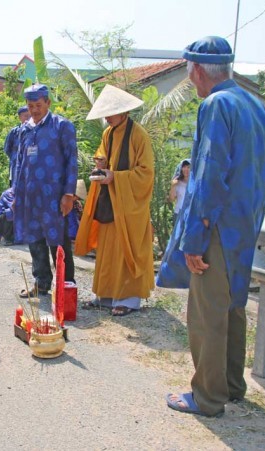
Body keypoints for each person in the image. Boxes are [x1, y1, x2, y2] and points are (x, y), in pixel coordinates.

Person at [156, 36, 265, 418]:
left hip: (218, 223)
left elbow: (208, 173)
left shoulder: (216, 104)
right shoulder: (254, 104)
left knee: (207, 310)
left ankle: (207, 397)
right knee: (233, 305)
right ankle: (232, 385)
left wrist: (194, 237)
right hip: (246, 221)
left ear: (197, 71)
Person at [75, 85, 155, 317]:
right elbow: (104, 155)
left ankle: (128, 300)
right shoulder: (108, 133)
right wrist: (101, 165)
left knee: (126, 250)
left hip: (130, 205)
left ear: (123, 112)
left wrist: (115, 177)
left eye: (110, 113)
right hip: (111, 201)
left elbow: (146, 173)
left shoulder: (139, 135)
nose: (107, 118)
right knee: (108, 249)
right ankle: (106, 296)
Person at [13, 84, 78, 297]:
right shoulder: (25, 129)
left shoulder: (62, 126)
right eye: (30, 106)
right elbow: (20, 163)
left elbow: (72, 161)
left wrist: (68, 194)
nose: (34, 110)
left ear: (48, 103)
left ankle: (66, 286)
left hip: (55, 197)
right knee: (35, 241)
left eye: (38, 105)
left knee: (58, 242)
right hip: (30, 196)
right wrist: (16, 194)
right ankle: (41, 283)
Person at [4, 106, 31, 187]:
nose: (28, 118)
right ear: (20, 117)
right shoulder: (14, 132)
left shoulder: (35, 130)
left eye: (30, 116)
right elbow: (7, 149)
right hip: (16, 166)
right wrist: (16, 158)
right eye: (26, 116)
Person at [168, 158, 190, 224]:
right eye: (184, 167)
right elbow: (171, 199)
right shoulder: (177, 182)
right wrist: (173, 186)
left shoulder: (195, 183)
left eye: (188, 167)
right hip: (179, 213)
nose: (186, 169)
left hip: (192, 214)